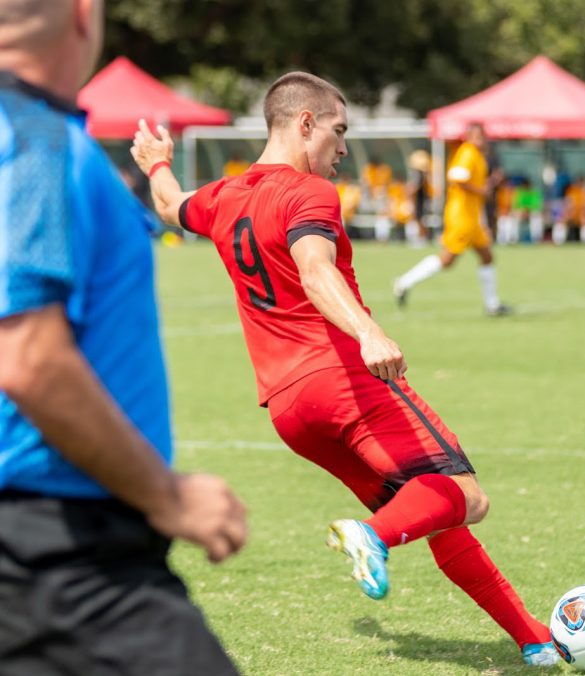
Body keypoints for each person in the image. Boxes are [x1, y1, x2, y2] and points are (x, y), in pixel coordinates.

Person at [130, 72, 558, 667]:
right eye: (338, 130)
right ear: (304, 124)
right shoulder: (308, 194)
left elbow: (172, 205)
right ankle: (371, 535)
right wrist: (368, 331)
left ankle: (532, 636)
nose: (344, 148)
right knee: (465, 495)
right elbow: (315, 268)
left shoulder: (226, 196)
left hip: (288, 410)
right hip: (342, 381)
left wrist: (157, 163)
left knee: (430, 509)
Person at [0, 1, 247, 674]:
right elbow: (27, 358)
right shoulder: (33, 143)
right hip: (65, 556)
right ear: (83, 14)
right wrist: (169, 495)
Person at [392, 123, 511, 316]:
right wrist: (482, 190)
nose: (481, 141)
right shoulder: (468, 153)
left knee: (487, 256)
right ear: (469, 138)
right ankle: (404, 282)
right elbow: (457, 178)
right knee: (447, 260)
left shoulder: (477, 155)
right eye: (477, 137)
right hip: (462, 217)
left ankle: (492, 305)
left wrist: (490, 184)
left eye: (483, 137)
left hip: (471, 216)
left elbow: (471, 183)